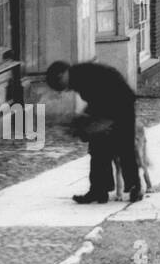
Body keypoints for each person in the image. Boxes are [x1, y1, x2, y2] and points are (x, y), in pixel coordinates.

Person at [45, 61, 142, 204]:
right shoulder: (78, 76)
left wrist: (92, 124)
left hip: (122, 104)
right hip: (109, 105)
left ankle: (134, 187)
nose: (62, 90)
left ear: (62, 74)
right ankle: (99, 190)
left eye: (60, 86)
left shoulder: (83, 76)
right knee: (98, 149)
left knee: (124, 147)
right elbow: (95, 102)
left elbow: (102, 99)